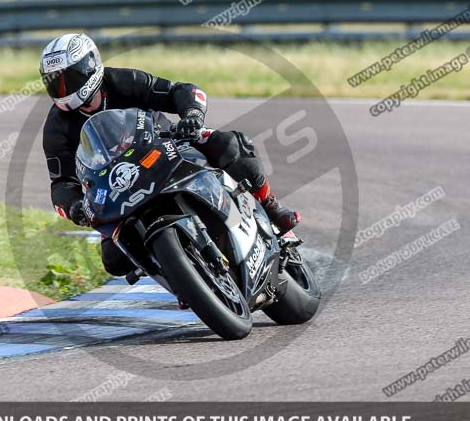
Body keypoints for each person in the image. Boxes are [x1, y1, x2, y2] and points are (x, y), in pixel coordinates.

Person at [41, 33, 301, 276]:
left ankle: (269, 205)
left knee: (229, 144)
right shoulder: (56, 128)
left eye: (68, 79)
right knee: (114, 260)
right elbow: (62, 183)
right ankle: (178, 277)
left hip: (163, 146)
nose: (62, 89)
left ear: (89, 66)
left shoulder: (122, 81)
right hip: (116, 186)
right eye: (54, 83)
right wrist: (75, 206)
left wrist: (192, 116)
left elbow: (181, 91)